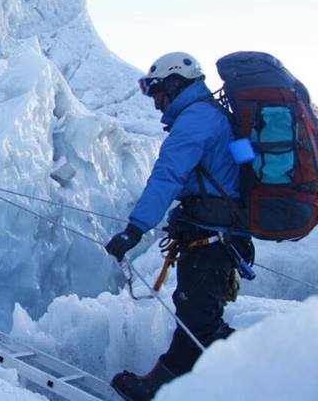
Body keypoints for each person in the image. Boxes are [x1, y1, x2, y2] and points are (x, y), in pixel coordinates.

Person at [105, 52, 253, 401]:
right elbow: (244, 168)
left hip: (211, 236)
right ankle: (171, 385)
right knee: (198, 315)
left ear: (175, 85)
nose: (156, 103)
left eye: (157, 92)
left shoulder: (195, 122)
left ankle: (268, 372)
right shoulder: (217, 117)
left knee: (200, 320)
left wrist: (134, 229)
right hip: (223, 233)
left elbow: (167, 176)